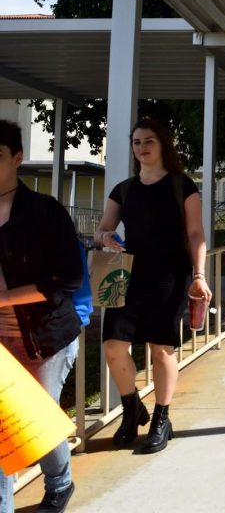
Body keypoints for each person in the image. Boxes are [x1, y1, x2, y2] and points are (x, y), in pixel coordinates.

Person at [94, 118, 211, 454]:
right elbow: (103, 229)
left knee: (161, 349)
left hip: (169, 275)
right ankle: (132, 407)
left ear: (163, 145)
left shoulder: (182, 186)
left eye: (149, 141)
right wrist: (106, 238)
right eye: (136, 142)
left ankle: (162, 417)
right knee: (114, 347)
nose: (141, 148)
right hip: (127, 274)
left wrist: (200, 275)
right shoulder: (124, 189)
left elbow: (195, 233)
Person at [0, 120, 82, 513]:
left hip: (46, 339)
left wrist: (3, 298)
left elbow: (67, 278)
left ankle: (60, 481)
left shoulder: (44, 213)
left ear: (17, 158)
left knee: (39, 423)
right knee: (3, 432)